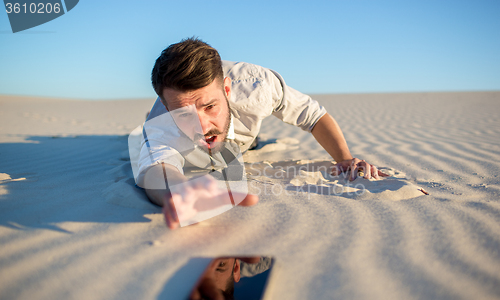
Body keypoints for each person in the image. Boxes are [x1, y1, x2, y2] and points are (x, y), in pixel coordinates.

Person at [135, 37, 387, 229]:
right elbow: (158, 169)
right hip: (188, 149)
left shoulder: (259, 87)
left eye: (209, 106)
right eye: (183, 114)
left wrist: (344, 158)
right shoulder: (161, 123)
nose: (201, 126)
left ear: (227, 89)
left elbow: (314, 116)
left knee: (242, 140)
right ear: (168, 108)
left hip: (244, 132)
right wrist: (179, 191)